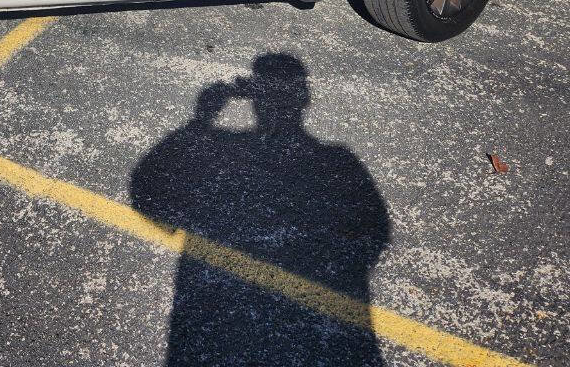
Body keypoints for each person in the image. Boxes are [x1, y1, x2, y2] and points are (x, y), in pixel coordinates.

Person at [131, 53, 391, 365]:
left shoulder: (226, 150)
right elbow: (376, 232)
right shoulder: (338, 161)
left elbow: (147, 189)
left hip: (218, 327)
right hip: (326, 334)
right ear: (305, 99)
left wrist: (202, 119)